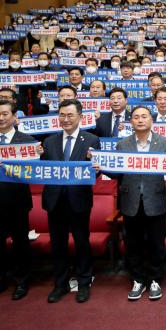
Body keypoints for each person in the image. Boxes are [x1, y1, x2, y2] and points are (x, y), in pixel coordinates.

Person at [107, 106, 166, 301]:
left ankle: (155, 279)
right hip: (130, 199)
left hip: (154, 198)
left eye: (144, 117)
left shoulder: (164, 143)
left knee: (157, 242)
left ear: (151, 120)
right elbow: (117, 172)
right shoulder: (122, 144)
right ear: (131, 122)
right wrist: (102, 167)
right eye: (136, 117)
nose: (140, 120)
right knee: (133, 243)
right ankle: (138, 279)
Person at [41, 99, 100, 303]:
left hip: (79, 200)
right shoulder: (49, 142)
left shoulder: (92, 140)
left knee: (82, 242)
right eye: (62, 115)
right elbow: (42, 170)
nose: (65, 120)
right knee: (58, 244)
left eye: (70, 115)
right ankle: (61, 283)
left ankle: (84, 282)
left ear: (80, 117)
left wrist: (97, 169)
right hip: (54, 200)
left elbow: (95, 173)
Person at [0, 100, 40, 300]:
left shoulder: (27, 141)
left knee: (20, 244)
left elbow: (33, 173)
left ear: (15, 117)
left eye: (5, 114)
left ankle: (21, 281)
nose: (1, 117)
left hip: (17, 201)